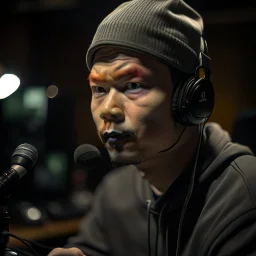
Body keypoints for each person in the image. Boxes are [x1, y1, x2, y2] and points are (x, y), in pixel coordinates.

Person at [48, 0, 256, 255]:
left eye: (133, 85)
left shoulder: (245, 195)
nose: (108, 110)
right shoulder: (115, 191)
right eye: (99, 89)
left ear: (191, 99)